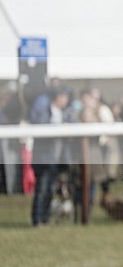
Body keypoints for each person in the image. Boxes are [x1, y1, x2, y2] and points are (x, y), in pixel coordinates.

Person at [28, 86, 72, 227]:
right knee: (41, 189)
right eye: (64, 96)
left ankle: (45, 218)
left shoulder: (65, 113)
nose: (66, 100)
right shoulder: (44, 112)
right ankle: (37, 219)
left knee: (51, 189)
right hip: (43, 159)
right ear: (57, 97)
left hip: (58, 159)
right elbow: (38, 126)